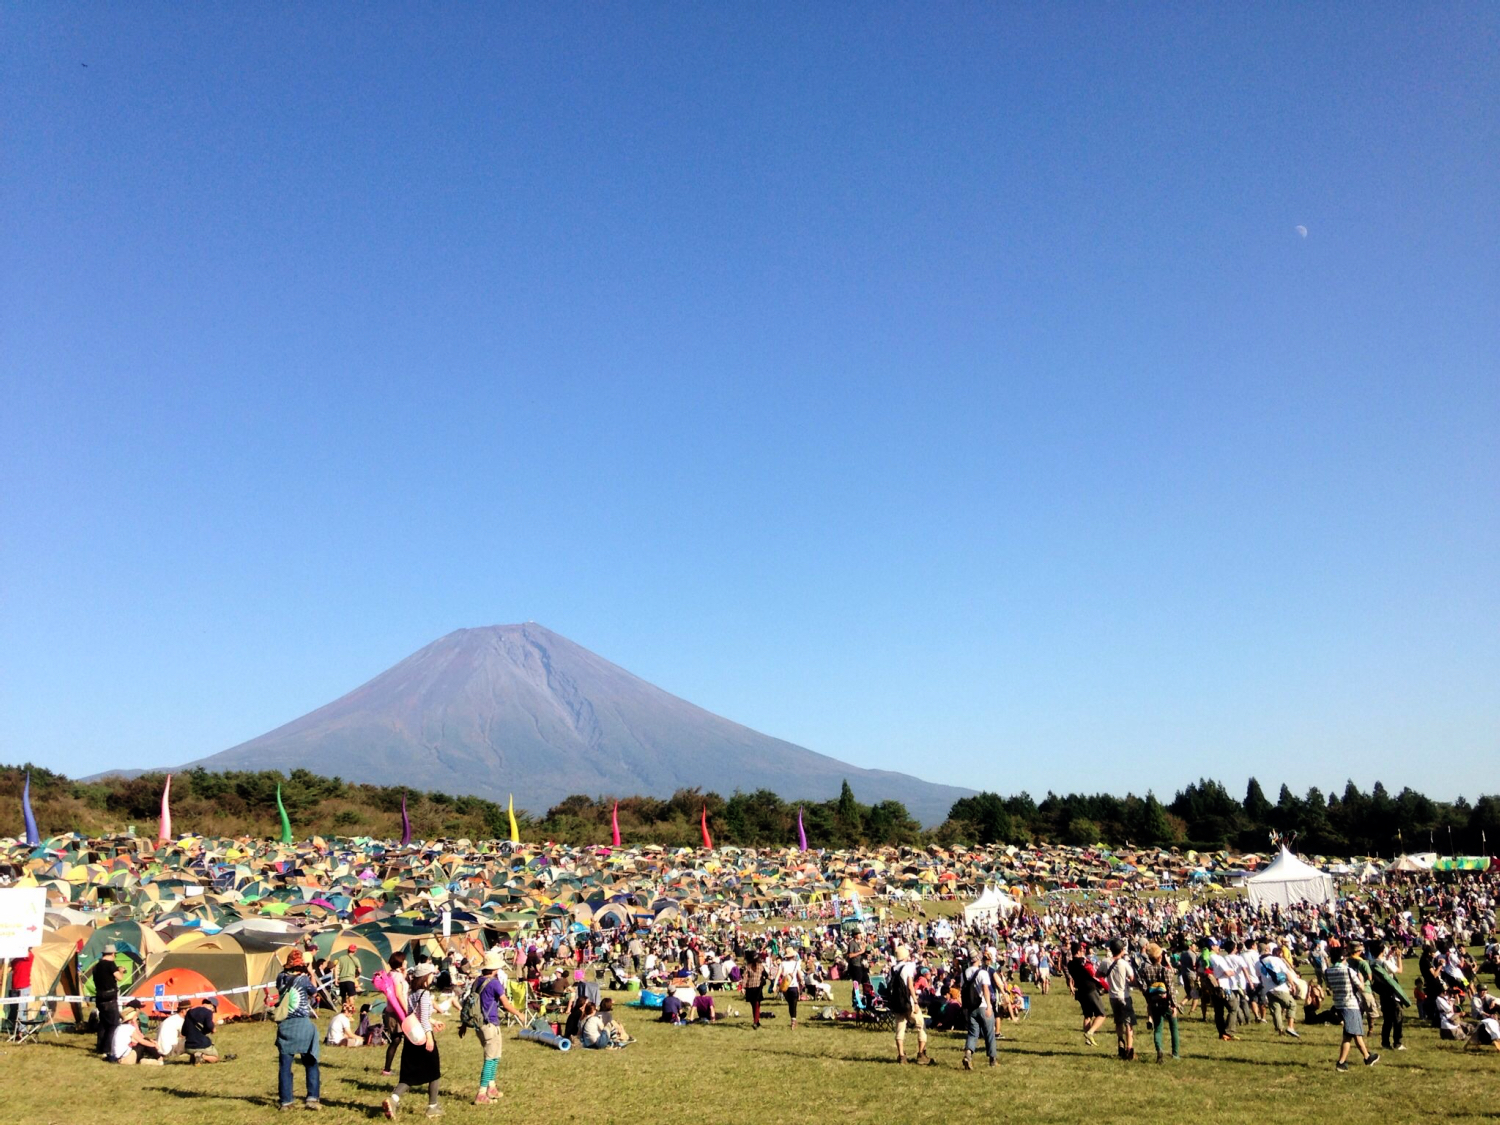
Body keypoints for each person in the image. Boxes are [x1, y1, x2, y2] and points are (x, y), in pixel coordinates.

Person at [384, 962, 443, 1119]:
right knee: (434, 1071)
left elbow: (413, 1015)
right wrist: (429, 1037)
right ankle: (432, 1106)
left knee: (409, 1074)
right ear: (425, 978)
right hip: (423, 1037)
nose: (432, 977)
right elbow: (423, 1019)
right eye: (431, 974)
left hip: (412, 1037)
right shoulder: (425, 994)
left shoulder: (412, 993)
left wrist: (434, 1021)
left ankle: (393, 1099)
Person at [275, 948, 322, 1110]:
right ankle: (312, 1098)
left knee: (285, 1066)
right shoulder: (303, 980)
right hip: (302, 1024)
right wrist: (311, 974)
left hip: (285, 1025)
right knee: (311, 1062)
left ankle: (286, 1101)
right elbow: (314, 992)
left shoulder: (280, 977)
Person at [472, 949, 521, 1105]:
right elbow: (505, 1003)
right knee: (490, 1059)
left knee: (495, 1056)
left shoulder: (477, 981)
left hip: (479, 1024)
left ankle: (491, 1087)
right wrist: (519, 1014)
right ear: (495, 969)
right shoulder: (494, 983)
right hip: (490, 1024)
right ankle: (481, 1093)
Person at [1324, 946, 1379, 1072]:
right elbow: (1361, 988)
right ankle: (1342, 1062)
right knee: (1351, 1034)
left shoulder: (1327, 972)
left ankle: (1367, 1057)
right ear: (1343, 958)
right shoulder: (1348, 971)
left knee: (1353, 1033)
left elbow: (1329, 986)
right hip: (1350, 1005)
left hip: (1338, 1005)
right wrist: (1361, 979)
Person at [890, 943, 935, 1065]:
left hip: (897, 1002)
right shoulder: (907, 968)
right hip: (908, 1002)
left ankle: (901, 1055)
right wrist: (915, 1001)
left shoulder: (893, 969)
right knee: (921, 1025)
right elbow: (910, 986)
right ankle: (921, 1054)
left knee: (900, 1028)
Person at [1139, 942, 1180, 1062]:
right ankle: (1175, 1054)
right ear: (1160, 957)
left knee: (1158, 1029)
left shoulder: (1145, 971)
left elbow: (1144, 988)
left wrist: (1149, 1000)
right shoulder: (1165, 971)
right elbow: (1171, 989)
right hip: (1167, 1003)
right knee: (1174, 1028)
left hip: (1154, 1003)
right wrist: (1174, 1005)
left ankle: (1159, 1049)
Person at [1369, 941, 1411, 1051]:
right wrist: (1399, 957)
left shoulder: (1372, 963)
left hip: (1383, 993)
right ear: (1382, 950)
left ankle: (1385, 1043)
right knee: (1398, 1018)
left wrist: (1388, 955)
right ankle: (1397, 1043)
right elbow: (1399, 970)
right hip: (1392, 993)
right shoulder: (1385, 962)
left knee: (1387, 1020)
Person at [960, 950, 997, 1070]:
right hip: (983, 1006)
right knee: (989, 1033)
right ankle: (992, 1059)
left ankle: (968, 1054)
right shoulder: (982, 973)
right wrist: (989, 1006)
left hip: (970, 1007)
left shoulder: (964, 973)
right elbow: (985, 989)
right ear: (978, 959)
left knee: (972, 1033)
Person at [1067, 941, 1109, 1046]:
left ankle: (1088, 1040)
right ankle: (1090, 1032)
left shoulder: (1070, 964)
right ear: (1078, 951)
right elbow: (1093, 974)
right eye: (1082, 950)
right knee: (1101, 1014)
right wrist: (1105, 986)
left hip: (1080, 990)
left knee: (1087, 1016)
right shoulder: (1083, 962)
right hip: (1090, 989)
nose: (1083, 951)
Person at [1256, 941, 1300, 1039]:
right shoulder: (1276, 959)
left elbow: (1259, 977)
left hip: (1268, 989)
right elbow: (1287, 973)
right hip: (1280, 987)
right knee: (1292, 1004)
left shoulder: (1258, 963)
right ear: (1267, 950)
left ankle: (1280, 1030)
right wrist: (1292, 985)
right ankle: (1290, 1027)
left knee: (1276, 1009)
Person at [1106, 938, 1136, 1061]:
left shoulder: (1105, 962)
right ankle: (1129, 1050)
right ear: (1122, 950)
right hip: (1124, 996)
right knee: (1128, 1023)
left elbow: (1098, 975)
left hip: (1112, 996)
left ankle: (1120, 1045)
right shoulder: (1124, 963)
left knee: (1118, 1022)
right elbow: (1132, 979)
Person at [92, 943, 125, 1056]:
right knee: (113, 1024)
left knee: (103, 1024)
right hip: (110, 998)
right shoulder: (110, 964)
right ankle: (107, 1049)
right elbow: (119, 978)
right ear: (112, 954)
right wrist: (121, 970)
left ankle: (100, 1047)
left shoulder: (96, 966)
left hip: (99, 997)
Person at [108, 1000, 164, 1065]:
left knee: (145, 1042)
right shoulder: (129, 1028)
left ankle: (150, 1058)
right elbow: (141, 1041)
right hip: (125, 1058)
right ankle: (159, 1058)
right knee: (145, 1042)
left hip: (117, 1057)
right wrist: (154, 1045)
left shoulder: (119, 1027)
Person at [381, 952, 410, 1076]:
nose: (406, 961)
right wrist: (407, 1010)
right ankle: (408, 1069)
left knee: (396, 1040)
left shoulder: (391, 974)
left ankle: (387, 1069)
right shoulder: (397, 976)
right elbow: (399, 995)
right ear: (400, 962)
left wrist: (404, 972)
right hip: (398, 1012)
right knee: (408, 1040)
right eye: (404, 960)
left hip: (390, 1011)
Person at [183, 996, 228, 1064]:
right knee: (215, 1058)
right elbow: (209, 1026)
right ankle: (202, 1056)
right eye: (213, 1010)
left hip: (188, 1047)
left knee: (193, 1056)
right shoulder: (208, 1012)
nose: (212, 1012)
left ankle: (194, 1057)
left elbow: (183, 1032)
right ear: (212, 1006)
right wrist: (213, 1029)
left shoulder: (189, 1012)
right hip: (202, 1045)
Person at [778, 947, 803, 1030]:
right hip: (794, 986)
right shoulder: (796, 964)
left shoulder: (782, 963)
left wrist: (775, 985)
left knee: (790, 1004)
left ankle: (793, 1019)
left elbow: (778, 974)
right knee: (794, 1004)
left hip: (785, 987)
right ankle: (793, 1020)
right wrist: (802, 981)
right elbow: (799, 975)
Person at [743, 951, 766, 1030]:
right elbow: (766, 974)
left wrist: (743, 987)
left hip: (750, 988)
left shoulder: (748, 966)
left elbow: (745, 978)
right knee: (756, 1005)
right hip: (758, 987)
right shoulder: (761, 966)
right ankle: (756, 1022)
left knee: (754, 1005)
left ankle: (756, 1021)